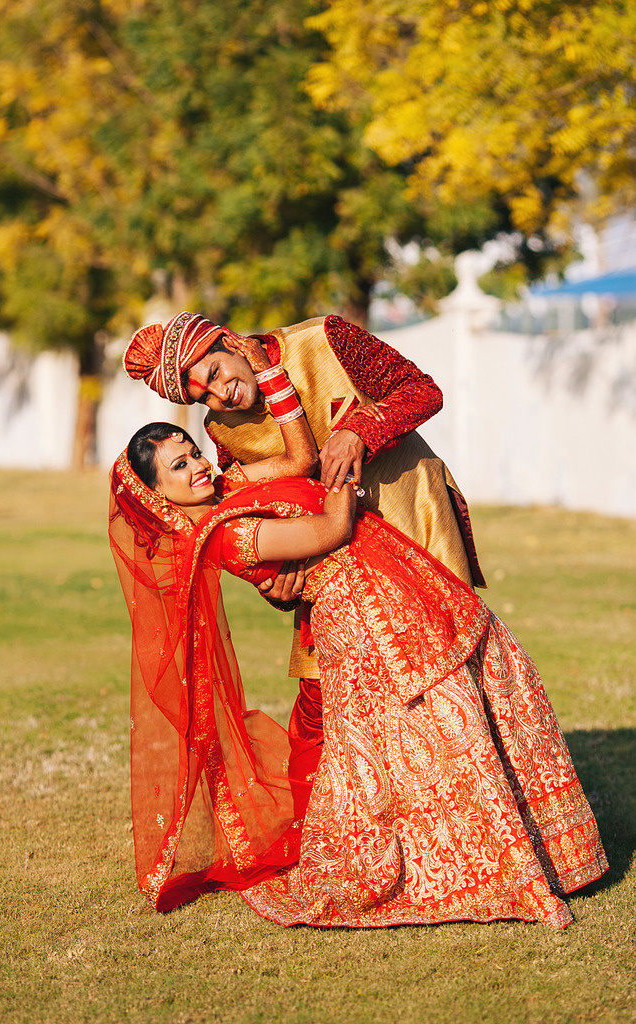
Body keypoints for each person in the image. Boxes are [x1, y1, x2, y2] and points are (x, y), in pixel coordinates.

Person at [109, 349, 607, 928]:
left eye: (192, 450)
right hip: (364, 617)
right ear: (158, 497)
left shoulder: (228, 485)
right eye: (178, 468)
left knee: (463, 713)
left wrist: (274, 373)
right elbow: (330, 528)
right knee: (444, 733)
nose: (198, 465)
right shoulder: (220, 534)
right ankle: (497, 878)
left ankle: (540, 860)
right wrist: (343, 480)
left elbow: (299, 455)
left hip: (391, 586)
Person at [122, 310, 487, 782]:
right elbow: (251, 513)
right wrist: (276, 584)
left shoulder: (324, 338)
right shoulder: (221, 431)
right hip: (335, 563)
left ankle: (478, 795)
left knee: (448, 668)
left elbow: (422, 391)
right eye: (202, 395)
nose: (220, 395)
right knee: (333, 698)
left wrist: (359, 431)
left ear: (230, 343)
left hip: (412, 512)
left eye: (215, 373)